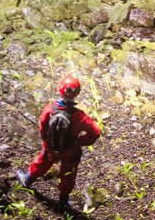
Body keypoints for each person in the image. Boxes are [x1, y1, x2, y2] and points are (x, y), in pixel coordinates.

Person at [16, 75, 101, 211]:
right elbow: (96, 132)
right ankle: (63, 201)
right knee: (68, 174)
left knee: (42, 162)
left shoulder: (49, 109)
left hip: (51, 147)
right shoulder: (80, 116)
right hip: (70, 151)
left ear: (59, 89)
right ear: (77, 94)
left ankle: (28, 179)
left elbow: (43, 128)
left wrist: (47, 143)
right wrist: (80, 141)